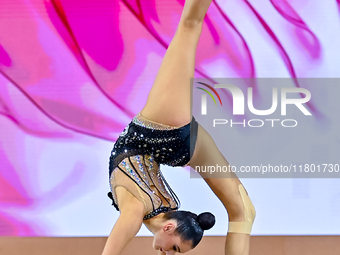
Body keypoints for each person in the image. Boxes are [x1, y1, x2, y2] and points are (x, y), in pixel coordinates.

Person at [102, 0, 256, 255]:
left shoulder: (154, 211)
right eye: (175, 250)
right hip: (158, 131)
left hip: (172, 144)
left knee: (244, 212)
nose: (168, 254)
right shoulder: (139, 212)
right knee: (189, 26)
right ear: (170, 227)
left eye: (174, 251)